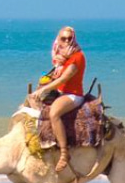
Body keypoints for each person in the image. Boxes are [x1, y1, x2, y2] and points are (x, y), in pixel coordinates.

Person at [31, 26, 86, 173]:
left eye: (70, 38)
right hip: (61, 92)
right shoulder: (60, 58)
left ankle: (63, 153)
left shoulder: (77, 56)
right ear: (58, 39)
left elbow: (65, 77)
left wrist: (45, 89)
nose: (67, 41)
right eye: (63, 38)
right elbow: (58, 76)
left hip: (72, 95)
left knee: (54, 113)